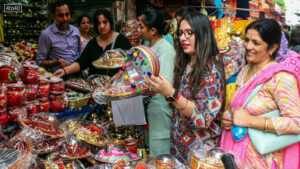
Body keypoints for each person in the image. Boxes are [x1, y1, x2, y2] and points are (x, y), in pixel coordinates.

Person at [145, 12, 225, 163]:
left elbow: (203, 117)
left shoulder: (211, 70)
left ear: (203, 34)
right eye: (181, 33)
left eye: (190, 33)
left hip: (200, 153)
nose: (183, 38)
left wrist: (171, 93)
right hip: (180, 147)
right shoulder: (185, 63)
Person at [221, 19, 300, 169]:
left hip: (260, 161)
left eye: (256, 43)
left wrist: (249, 121)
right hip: (233, 156)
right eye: (246, 40)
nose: (248, 46)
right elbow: (239, 106)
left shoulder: (280, 78)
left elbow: (296, 123)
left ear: (272, 48)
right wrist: (229, 116)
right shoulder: (245, 70)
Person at [138, 10, 176, 157]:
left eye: (142, 27)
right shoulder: (148, 47)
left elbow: (162, 84)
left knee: (159, 154)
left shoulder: (165, 49)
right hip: (149, 107)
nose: (139, 30)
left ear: (153, 30)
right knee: (150, 150)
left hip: (160, 108)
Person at [54, 9, 132, 78]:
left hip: (117, 88)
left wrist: (120, 74)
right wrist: (65, 71)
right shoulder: (92, 43)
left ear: (110, 22)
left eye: (105, 22)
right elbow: (81, 63)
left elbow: (132, 60)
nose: (102, 26)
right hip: (96, 89)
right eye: (98, 23)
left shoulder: (121, 40)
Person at [36, 2, 80, 73]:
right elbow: (39, 62)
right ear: (53, 16)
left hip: (78, 73)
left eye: (67, 14)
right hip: (60, 77)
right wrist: (57, 61)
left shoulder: (76, 31)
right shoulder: (46, 35)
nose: (65, 18)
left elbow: (78, 54)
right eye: (60, 15)